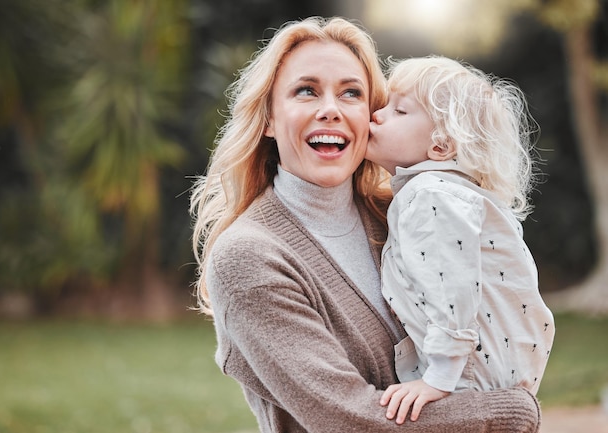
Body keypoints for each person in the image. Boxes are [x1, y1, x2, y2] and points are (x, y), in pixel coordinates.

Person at [191, 17, 541, 432]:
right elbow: (351, 420)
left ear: (369, 115)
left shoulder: (405, 214)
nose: (330, 110)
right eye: (306, 91)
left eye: (351, 94)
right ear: (268, 118)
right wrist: (509, 412)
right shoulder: (250, 257)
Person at [366, 55, 555, 424]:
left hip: (466, 380)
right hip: (485, 375)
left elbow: (452, 290)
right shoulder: (449, 193)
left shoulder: (430, 195)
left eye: (400, 111)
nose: (377, 114)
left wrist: (438, 378)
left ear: (440, 146)